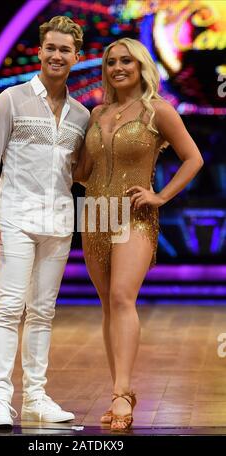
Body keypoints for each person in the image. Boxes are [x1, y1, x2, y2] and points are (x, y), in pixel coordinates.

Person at [73, 37, 204, 431]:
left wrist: (160, 195)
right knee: (108, 306)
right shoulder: (96, 113)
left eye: (126, 61)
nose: (118, 67)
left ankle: (121, 394)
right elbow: (81, 171)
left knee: (121, 296)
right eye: (111, 61)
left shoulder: (157, 111)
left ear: (141, 65)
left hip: (135, 215)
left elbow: (193, 158)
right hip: (94, 213)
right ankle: (121, 390)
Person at [0, 16, 90, 428]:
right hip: (14, 219)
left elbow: (79, 171)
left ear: (78, 56)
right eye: (51, 48)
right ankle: (1, 399)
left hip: (58, 223)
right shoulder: (10, 99)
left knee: (42, 312)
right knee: (8, 308)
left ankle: (36, 397)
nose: (57, 56)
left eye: (65, 50)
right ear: (40, 51)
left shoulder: (81, 114)